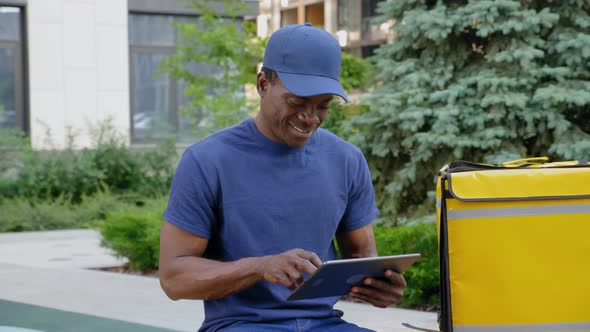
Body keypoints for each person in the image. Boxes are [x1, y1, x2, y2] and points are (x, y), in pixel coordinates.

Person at [159, 23, 407, 332]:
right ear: (263, 84)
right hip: (242, 325)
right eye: (297, 102)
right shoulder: (206, 160)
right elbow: (174, 279)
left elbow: (362, 257)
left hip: (324, 325)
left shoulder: (346, 159)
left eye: (323, 105)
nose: (310, 117)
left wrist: (381, 287)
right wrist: (261, 267)